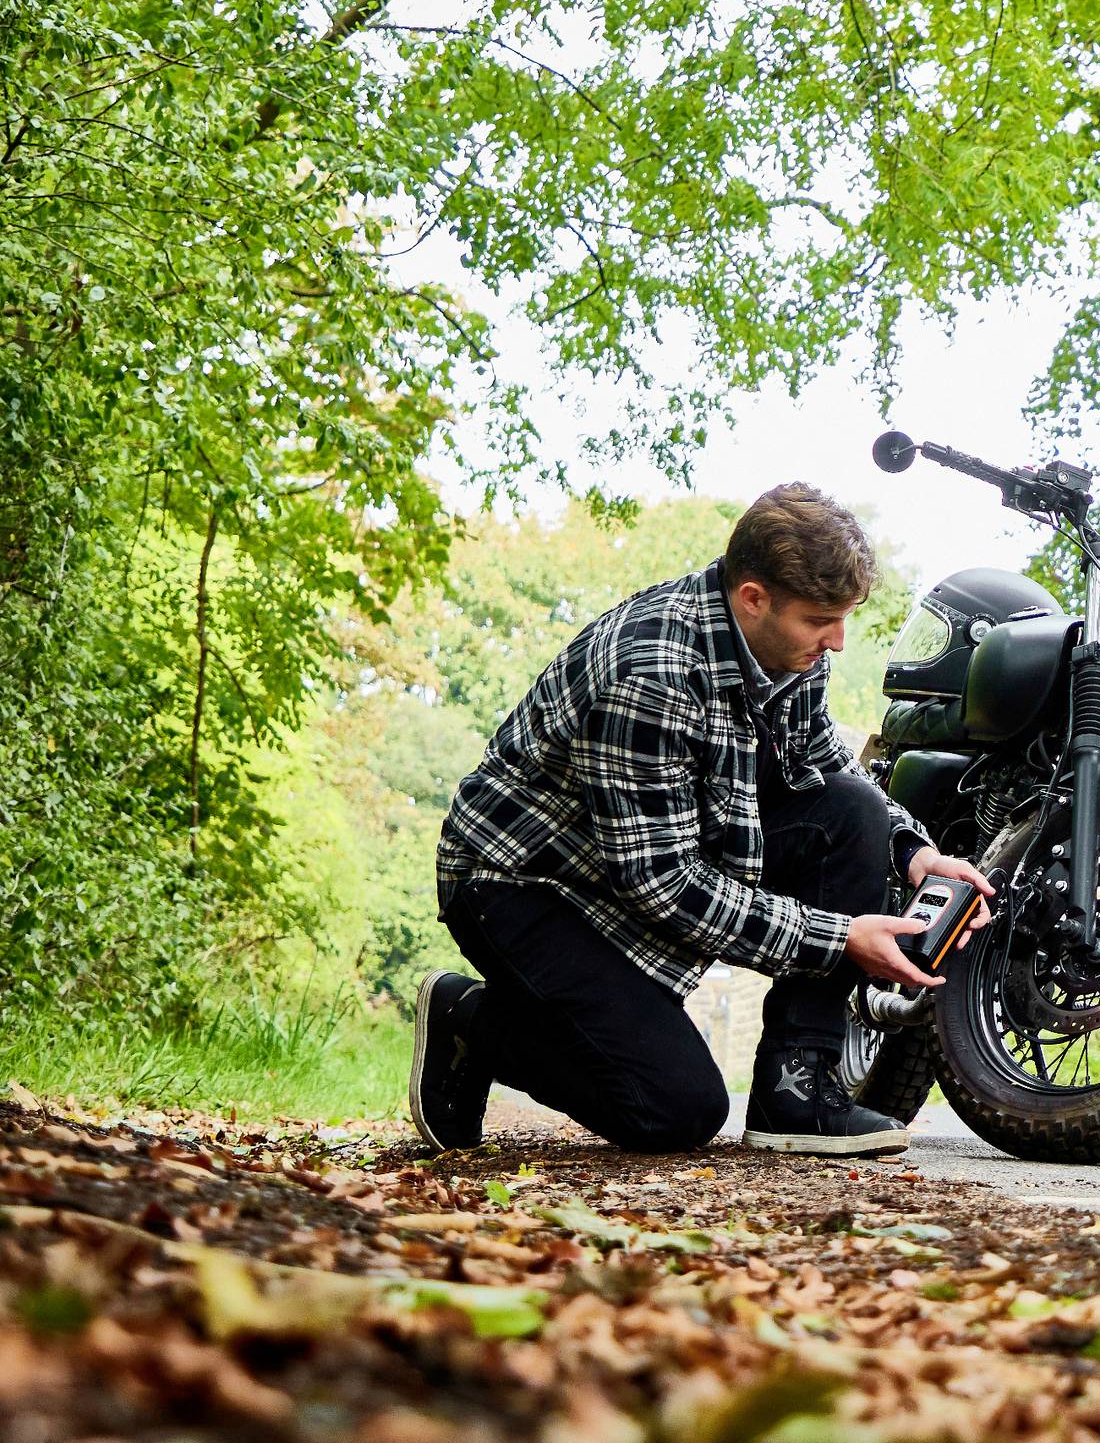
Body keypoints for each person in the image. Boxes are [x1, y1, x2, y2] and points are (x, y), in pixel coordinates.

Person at [409, 484, 990, 1157]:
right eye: (820, 620)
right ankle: (470, 1021)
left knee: (852, 811)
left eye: (843, 619)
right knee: (675, 1109)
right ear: (753, 597)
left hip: (647, 856)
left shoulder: (785, 646)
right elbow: (662, 884)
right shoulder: (650, 676)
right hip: (523, 888)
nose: (836, 640)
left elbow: (822, 758)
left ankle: (797, 1095)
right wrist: (841, 938)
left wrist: (912, 850)